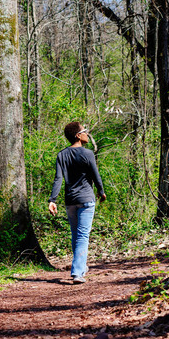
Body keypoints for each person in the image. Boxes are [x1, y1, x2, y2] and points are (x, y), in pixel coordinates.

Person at [48, 121, 106, 283]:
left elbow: (58, 179)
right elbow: (96, 175)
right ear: (78, 136)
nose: (87, 133)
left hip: (70, 201)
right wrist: (101, 192)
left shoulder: (62, 155)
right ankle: (78, 272)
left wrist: (52, 199)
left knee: (76, 235)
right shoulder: (88, 154)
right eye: (85, 131)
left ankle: (81, 266)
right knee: (82, 236)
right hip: (86, 199)